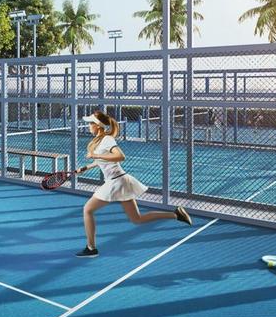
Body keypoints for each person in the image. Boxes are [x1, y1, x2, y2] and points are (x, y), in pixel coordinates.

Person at [75, 110, 192, 258]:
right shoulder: (99, 141)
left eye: (91, 123)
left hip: (116, 182)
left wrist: (95, 155)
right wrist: (86, 167)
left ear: (98, 126)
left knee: (87, 210)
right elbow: (102, 161)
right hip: (120, 181)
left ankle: (91, 248)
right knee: (137, 219)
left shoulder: (107, 139)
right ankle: (176, 214)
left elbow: (120, 156)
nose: (89, 125)